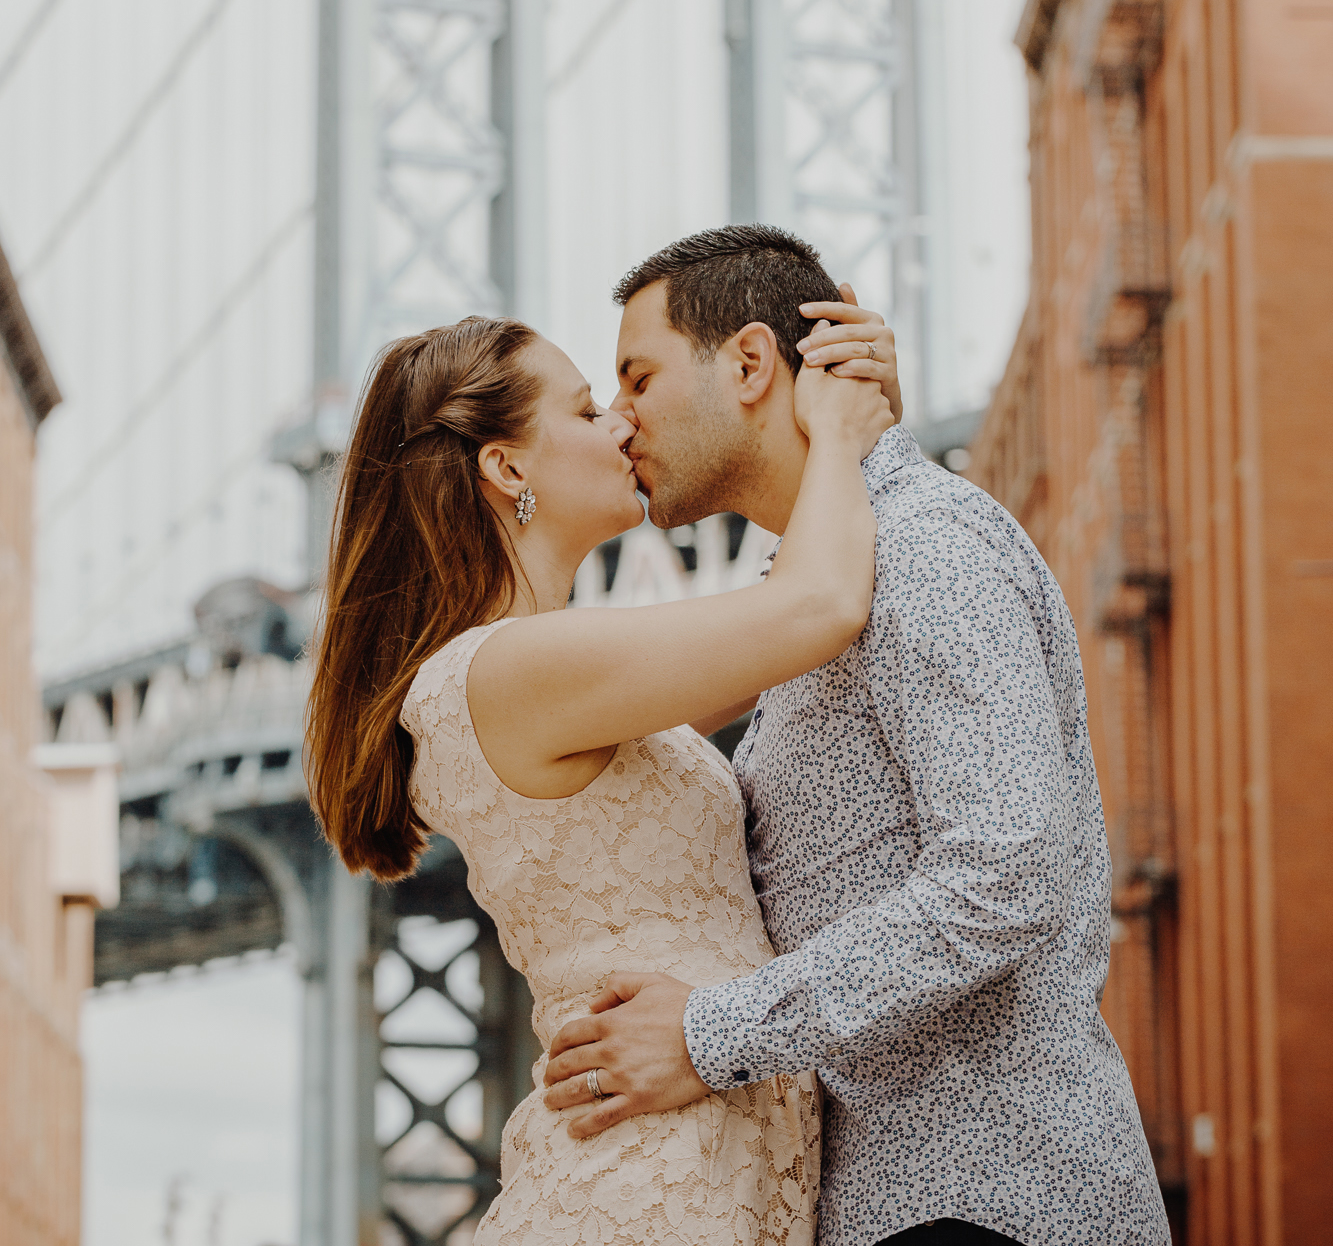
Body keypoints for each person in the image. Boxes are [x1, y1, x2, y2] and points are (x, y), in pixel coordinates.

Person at [543, 225, 1170, 1246]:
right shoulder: (811, 595)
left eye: (637, 376)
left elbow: (1003, 872)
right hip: (902, 1202)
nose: (619, 420)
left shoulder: (924, 551)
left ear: (750, 363)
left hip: (987, 1198)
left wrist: (709, 1033)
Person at [304, 279, 900, 1245]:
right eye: (587, 408)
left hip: (691, 1167)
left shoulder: (557, 672)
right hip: (647, 1186)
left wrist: (802, 398)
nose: (624, 424)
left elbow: (776, 640)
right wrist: (831, 431)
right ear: (505, 467)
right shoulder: (513, 670)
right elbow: (818, 608)